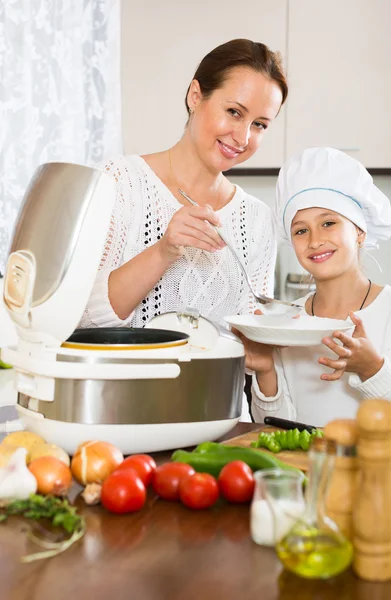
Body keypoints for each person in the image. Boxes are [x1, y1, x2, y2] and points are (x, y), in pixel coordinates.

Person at [79, 39, 288, 421]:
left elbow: (252, 348)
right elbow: (83, 323)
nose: (242, 138)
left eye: (259, 124)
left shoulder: (257, 220)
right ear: (196, 95)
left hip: (219, 419)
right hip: (122, 418)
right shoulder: (120, 182)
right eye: (233, 112)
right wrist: (164, 250)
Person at [241, 147, 391, 430]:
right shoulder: (287, 321)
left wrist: (372, 369)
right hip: (308, 470)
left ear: (359, 231)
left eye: (328, 223)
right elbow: (277, 425)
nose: (315, 241)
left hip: (376, 470)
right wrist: (266, 368)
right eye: (301, 230)